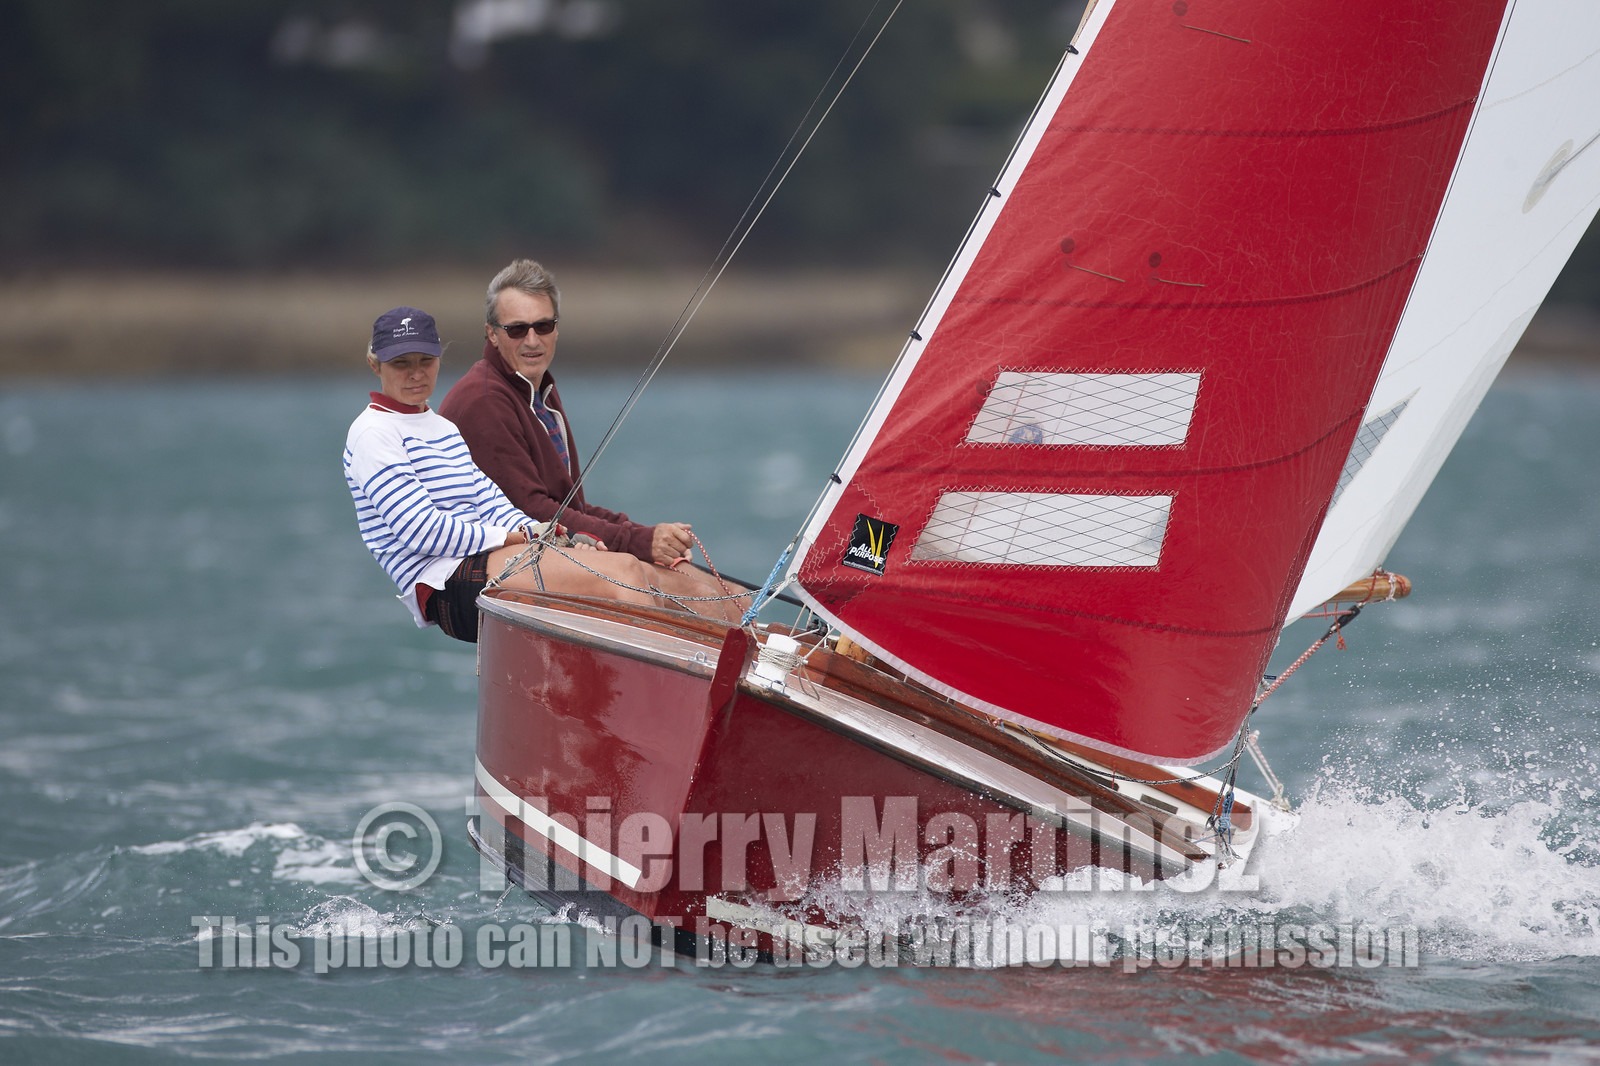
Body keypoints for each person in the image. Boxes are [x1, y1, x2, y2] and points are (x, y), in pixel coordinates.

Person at [344, 306, 740, 642]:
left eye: (424, 361)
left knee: (687, 586)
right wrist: (513, 537)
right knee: (626, 575)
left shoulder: (441, 428)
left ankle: (744, 662)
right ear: (374, 364)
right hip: (444, 584)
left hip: (491, 556)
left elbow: (488, 500)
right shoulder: (372, 433)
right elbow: (421, 531)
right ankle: (675, 690)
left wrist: (545, 533)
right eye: (401, 363)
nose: (415, 374)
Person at [439, 258, 698, 568]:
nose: (532, 340)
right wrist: (638, 543)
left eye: (543, 326)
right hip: (488, 574)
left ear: (556, 329)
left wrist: (652, 536)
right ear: (492, 334)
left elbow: (569, 505)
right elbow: (530, 510)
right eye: (517, 329)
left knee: (690, 577)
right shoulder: (483, 401)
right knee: (642, 574)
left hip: (542, 549)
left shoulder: (539, 391)